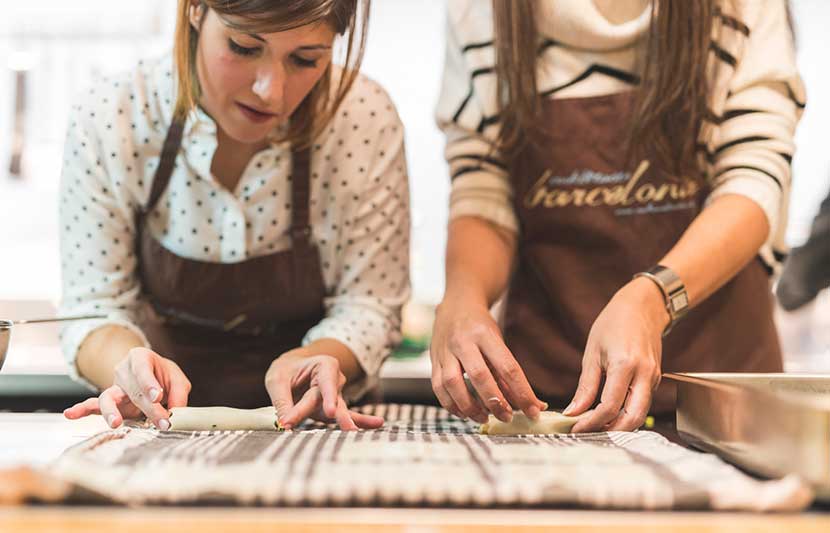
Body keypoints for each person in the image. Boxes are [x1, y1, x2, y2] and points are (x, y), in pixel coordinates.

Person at [431, 0, 804, 432]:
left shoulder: (742, 7)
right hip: (548, 399)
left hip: (720, 402)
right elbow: (482, 192)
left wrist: (653, 298)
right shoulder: (478, 13)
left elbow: (754, 184)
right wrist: (462, 297)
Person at [60, 0, 410, 432]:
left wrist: (317, 358)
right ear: (194, 11)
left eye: (305, 60)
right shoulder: (114, 115)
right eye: (244, 46)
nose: (271, 90)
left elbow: (370, 305)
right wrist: (128, 367)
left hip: (316, 434)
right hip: (157, 436)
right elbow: (95, 307)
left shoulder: (362, 119)